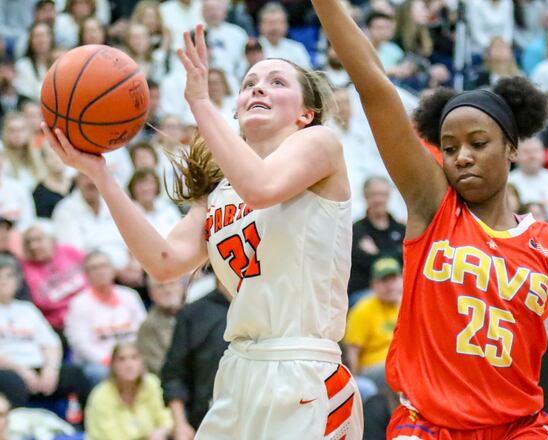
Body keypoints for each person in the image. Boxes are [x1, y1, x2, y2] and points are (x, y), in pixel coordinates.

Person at [312, 0, 548, 437]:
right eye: (449, 148)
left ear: (511, 148)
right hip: (428, 426)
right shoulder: (433, 205)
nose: (462, 156)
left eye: (477, 142)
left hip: (518, 428)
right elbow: (374, 84)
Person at [42, 22, 363, 438]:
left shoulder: (321, 144)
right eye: (249, 84)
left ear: (306, 113)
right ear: (237, 109)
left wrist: (199, 103)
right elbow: (163, 262)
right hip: (239, 368)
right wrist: (102, 176)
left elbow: (263, 188)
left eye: (276, 81)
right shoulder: (220, 192)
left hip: (304, 370)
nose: (258, 89)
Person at [0, 256, 91, 409]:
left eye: (9, 276)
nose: (3, 281)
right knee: (12, 382)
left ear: (18, 281)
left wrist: (51, 369)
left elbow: (51, 345)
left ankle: (85, 425)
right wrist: (21, 370)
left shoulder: (27, 309)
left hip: (36, 369)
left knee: (74, 374)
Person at [64, 251, 147, 385]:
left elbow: (143, 331)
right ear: (86, 275)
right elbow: (80, 343)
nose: (100, 271)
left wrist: (131, 359)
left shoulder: (130, 296)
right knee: (100, 373)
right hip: (98, 363)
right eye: (94, 268)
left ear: (113, 270)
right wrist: (111, 361)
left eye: (103, 266)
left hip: (131, 357)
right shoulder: (78, 303)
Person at [161, 284, 230, 438]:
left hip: (258, 413)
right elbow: (174, 374)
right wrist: (180, 423)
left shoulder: (263, 307)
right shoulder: (193, 313)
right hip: (207, 417)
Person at [85, 343, 172, 440]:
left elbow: (166, 417)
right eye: (122, 360)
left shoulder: (151, 384)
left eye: (134, 358)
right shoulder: (101, 396)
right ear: (113, 366)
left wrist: (162, 431)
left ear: (141, 362)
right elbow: (110, 437)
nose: (129, 365)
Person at [344, 256, 402, 394]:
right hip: (372, 369)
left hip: (401, 364)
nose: (390, 285)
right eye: (384, 281)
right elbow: (352, 352)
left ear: (402, 279)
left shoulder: (409, 305)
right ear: (373, 285)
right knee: (398, 366)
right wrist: (356, 381)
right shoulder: (362, 310)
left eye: (393, 279)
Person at [348, 177, 405, 298]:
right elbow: (360, 263)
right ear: (365, 196)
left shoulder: (401, 229)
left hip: (398, 291)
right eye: (374, 194)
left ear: (389, 196)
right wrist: (394, 253)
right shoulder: (356, 230)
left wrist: (375, 253)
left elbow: (405, 260)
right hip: (365, 292)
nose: (379, 199)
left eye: (383, 194)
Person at [136, 277, 185, 375]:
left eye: (172, 284)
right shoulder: (148, 326)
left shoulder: (197, 314)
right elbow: (157, 366)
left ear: (183, 288)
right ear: (151, 294)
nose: (167, 290)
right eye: (160, 287)